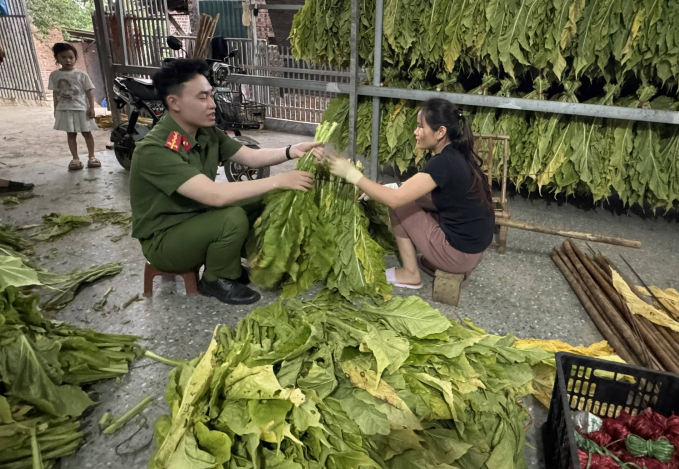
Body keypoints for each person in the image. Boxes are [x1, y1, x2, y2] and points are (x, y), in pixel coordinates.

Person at [129, 59, 323, 305]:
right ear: (174, 103)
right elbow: (215, 196)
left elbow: (250, 157)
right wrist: (281, 180)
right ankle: (215, 278)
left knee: (258, 197)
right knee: (231, 218)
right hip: (165, 241)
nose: (211, 104)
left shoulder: (206, 133)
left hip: (196, 218)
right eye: (202, 98)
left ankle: (231, 260)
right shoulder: (155, 149)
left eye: (211, 95)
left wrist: (291, 150)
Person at [328, 98, 495, 288]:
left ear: (440, 132)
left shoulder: (442, 163)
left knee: (400, 205)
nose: (416, 132)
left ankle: (410, 273)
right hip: (472, 249)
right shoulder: (457, 153)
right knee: (409, 198)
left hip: (459, 254)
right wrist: (386, 188)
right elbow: (436, 196)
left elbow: (396, 199)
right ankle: (430, 259)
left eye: (420, 126)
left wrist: (350, 174)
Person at [49, 43, 100, 171]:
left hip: (81, 109)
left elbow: (89, 92)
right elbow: (55, 94)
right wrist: (55, 109)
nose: (68, 60)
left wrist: (91, 108)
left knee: (87, 133)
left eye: (71, 57)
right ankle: (75, 159)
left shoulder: (81, 75)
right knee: (71, 134)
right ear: (57, 58)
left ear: (75, 58)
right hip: (65, 109)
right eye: (63, 57)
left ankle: (92, 157)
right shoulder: (55, 75)